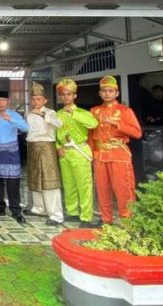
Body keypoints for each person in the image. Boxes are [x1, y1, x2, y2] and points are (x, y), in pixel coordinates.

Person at [90, 76, 142, 225]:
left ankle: (127, 220)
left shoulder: (125, 111)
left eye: (110, 91)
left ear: (117, 93)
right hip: (100, 154)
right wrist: (91, 152)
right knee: (102, 189)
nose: (107, 94)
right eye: (104, 91)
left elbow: (137, 133)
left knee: (123, 188)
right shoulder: (95, 111)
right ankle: (106, 219)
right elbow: (90, 135)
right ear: (100, 93)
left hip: (119, 154)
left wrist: (117, 123)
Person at [55, 78, 98, 228]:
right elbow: (53, 133)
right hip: (64, 152)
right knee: (68, 184)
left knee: (84, 185)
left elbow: (93, 124)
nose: (65, 97)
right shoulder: (57, 114)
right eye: (63, 94)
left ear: (74, 96)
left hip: (79, 150)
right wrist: (57, 146)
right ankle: (72, 212)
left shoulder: (82, 113)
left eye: (68, 94)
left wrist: (74, 113)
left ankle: (86, 216)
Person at [0, 90, 29, 223]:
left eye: (3, 100)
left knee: (13, 181)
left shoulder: (14, 115)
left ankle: (15, 210)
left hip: (11, 152)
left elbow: (26, 128)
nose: (0, 103)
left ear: (8, 101)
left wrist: (12, 120)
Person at [24, 82, 64, 226]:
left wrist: (42, 113)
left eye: (39, 99)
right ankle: (39, 208)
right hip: (33, 147)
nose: (36, 102)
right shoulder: (29, 115)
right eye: (33, 99)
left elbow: (58, 124)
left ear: (45, 100)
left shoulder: (50, 112)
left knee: (49, 180)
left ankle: (56, 214)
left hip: (46, 148)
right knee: (35, 177)